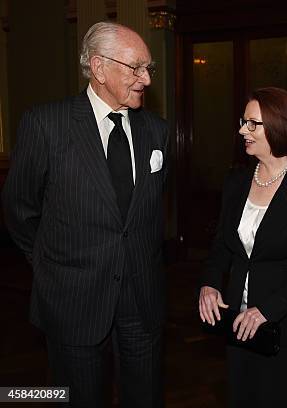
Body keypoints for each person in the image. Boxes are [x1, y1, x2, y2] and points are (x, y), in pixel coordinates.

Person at [2, 22, 167, 407]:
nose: (145, 78)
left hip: (142, 300)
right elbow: (19, 209)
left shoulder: (156, 131)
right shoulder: (47, 124)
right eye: (135, 67)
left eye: (148, 68)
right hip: (73, 300)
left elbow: (149, 213)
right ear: (98, 67)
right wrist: (50, 264)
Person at [198, 87, 287, 408]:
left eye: (252, 124)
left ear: (279, 126)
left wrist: (268, 309)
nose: (242, 130)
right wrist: (210, 283)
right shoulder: (235, 182)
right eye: (243, 122)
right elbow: (221, 246)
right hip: (238, 323)